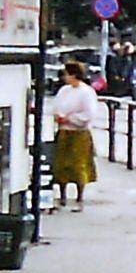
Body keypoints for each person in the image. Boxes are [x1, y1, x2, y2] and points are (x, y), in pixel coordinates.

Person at [51, 60, 99, 212]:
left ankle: (80, 197)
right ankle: (62, 195)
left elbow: (89, 114)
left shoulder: (86, 92)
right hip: (64, 131)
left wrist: (71, 118)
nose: (65, 77)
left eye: (66, 74)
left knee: (79, 165)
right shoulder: (64, 91)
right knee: (61, 164)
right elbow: (56, 106)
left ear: (74, 75)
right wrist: (58, 116)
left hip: (79, 133)